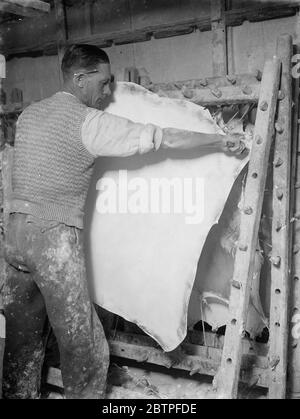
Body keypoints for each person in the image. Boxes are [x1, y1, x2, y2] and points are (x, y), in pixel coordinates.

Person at [2, 44, 245, 399]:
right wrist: (220, 142)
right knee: (83, 343)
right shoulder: (89, 123)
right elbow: (162, 137)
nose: (108, 92)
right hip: (50, 237)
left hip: (13, 238)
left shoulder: (29, 115)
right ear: (79, 79)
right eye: (103, 83)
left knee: (23, 338)